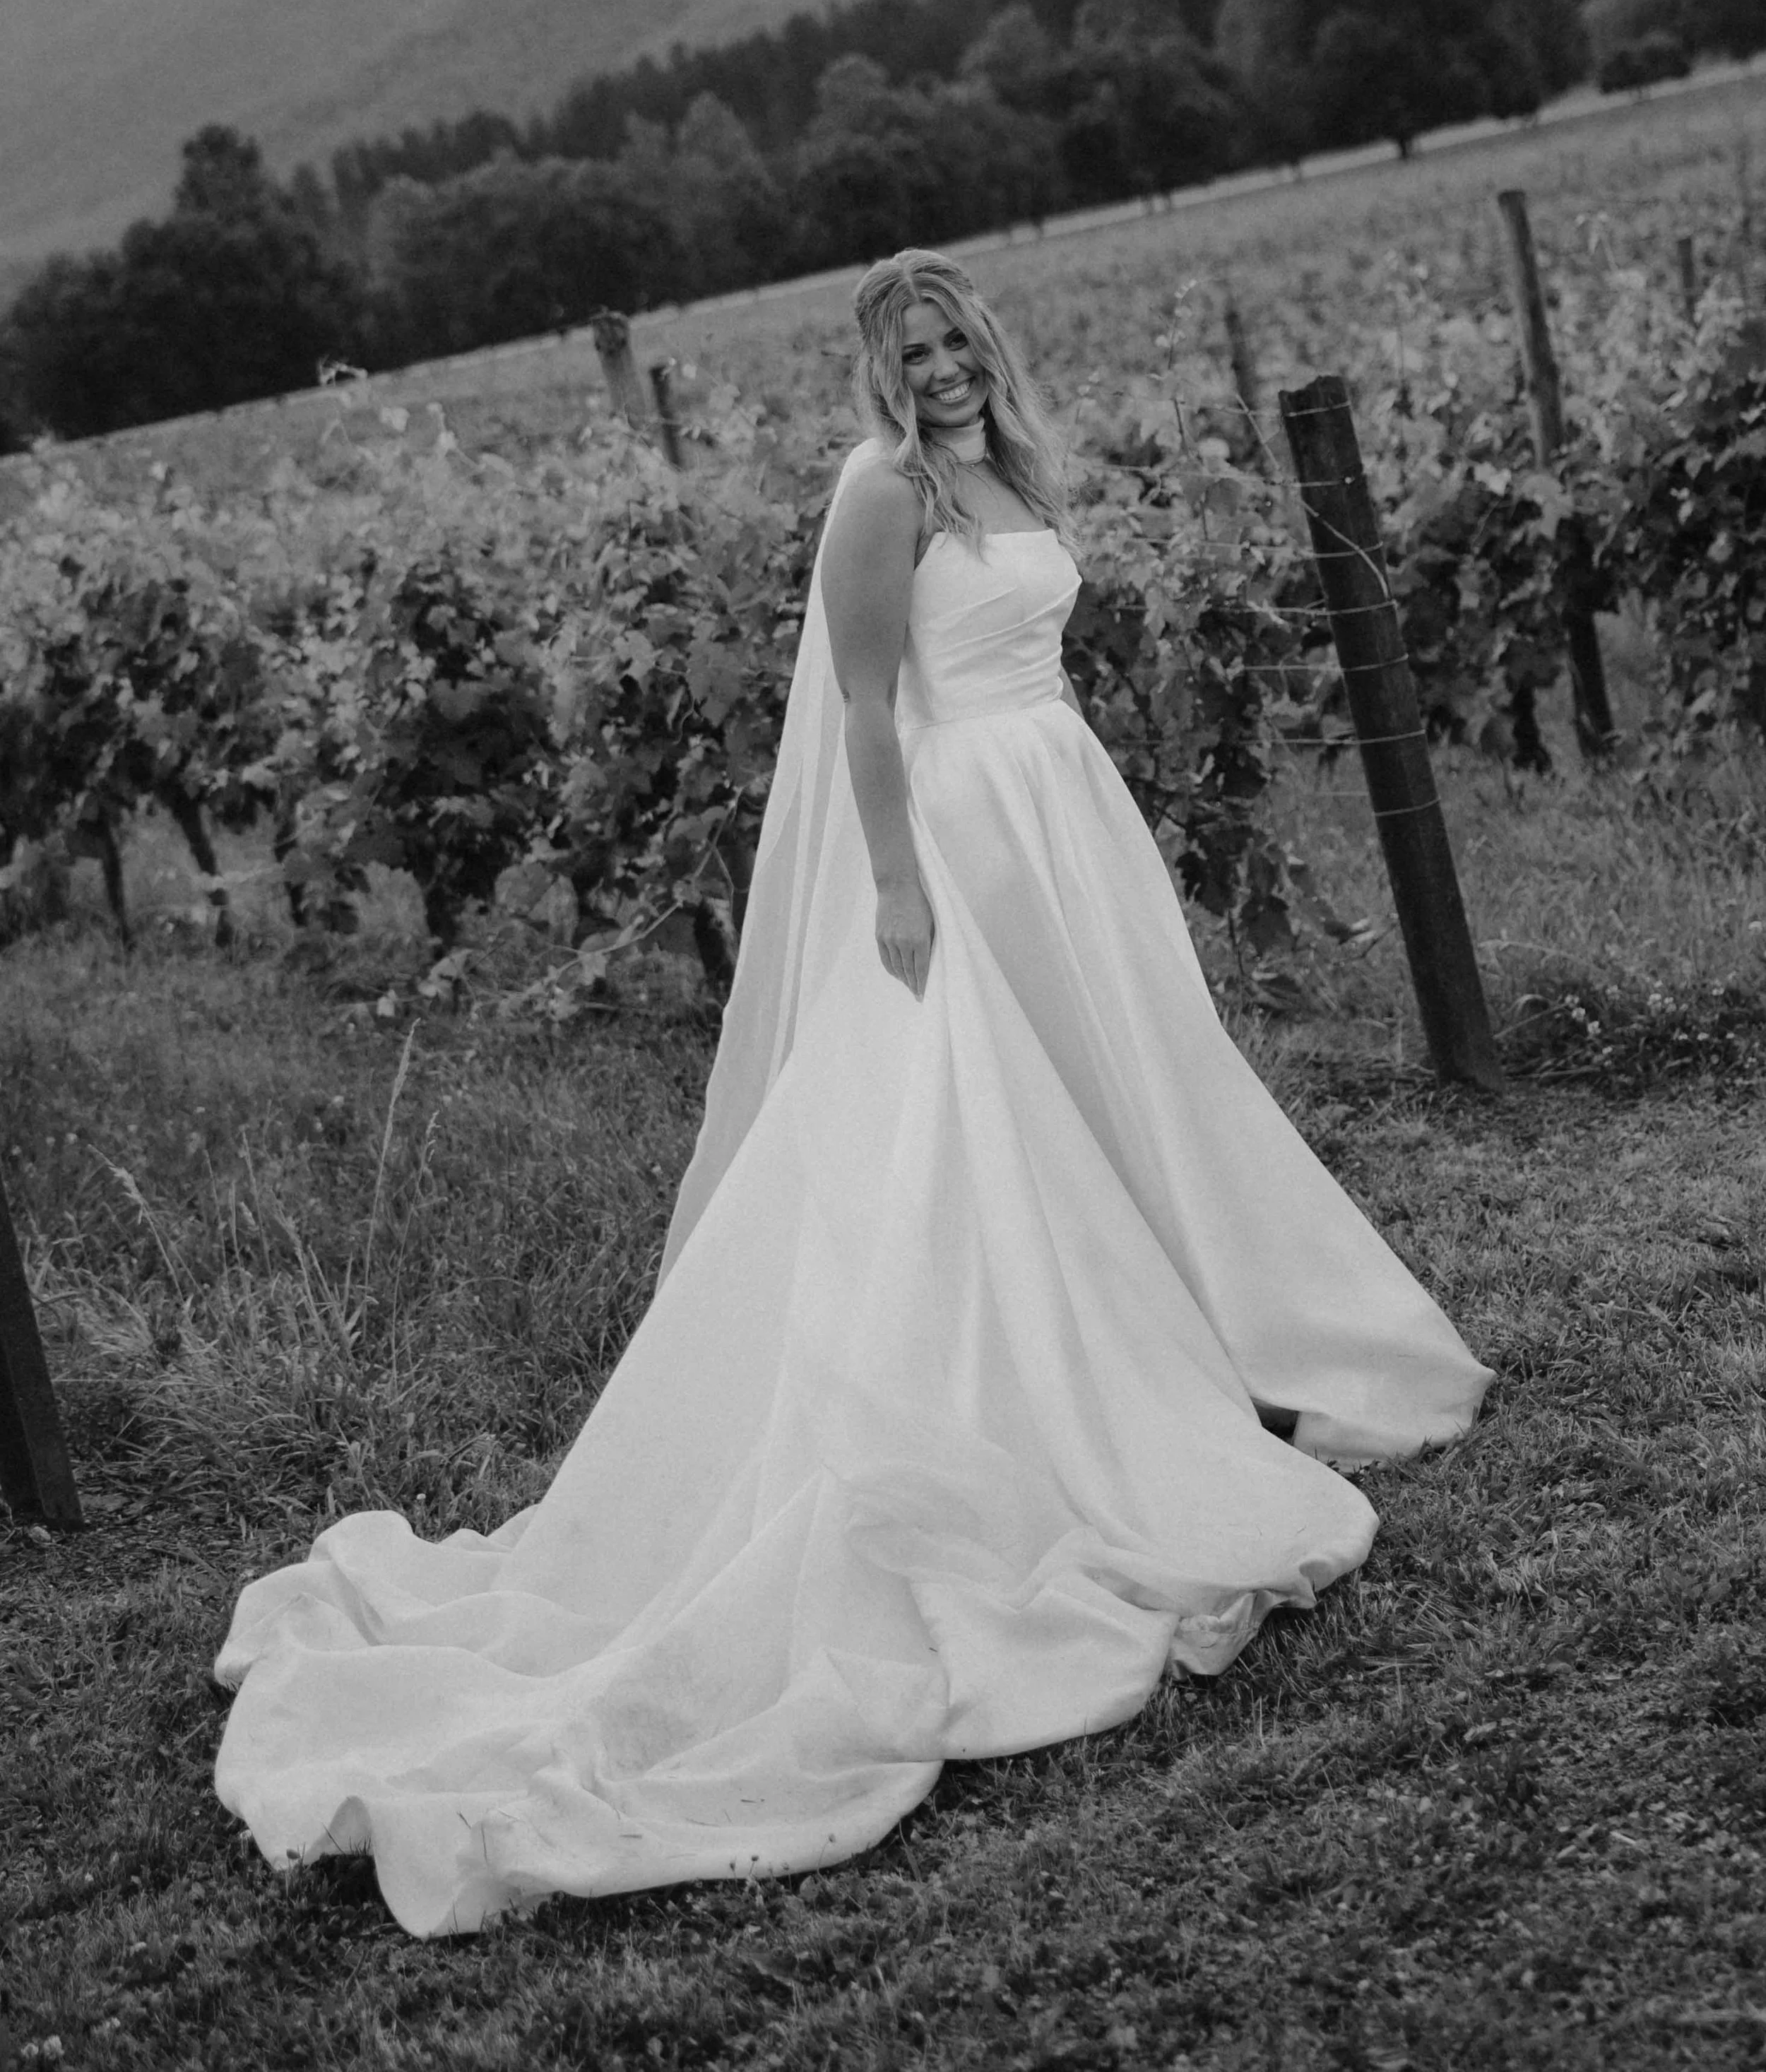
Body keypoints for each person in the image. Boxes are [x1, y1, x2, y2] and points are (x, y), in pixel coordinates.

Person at [215, 249, 1491, 1938]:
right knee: (965, 1120)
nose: (946, 368)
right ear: (878, 370)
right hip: (957, 829)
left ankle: (1207, 1318)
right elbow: (871, 711)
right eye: (914, 351)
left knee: (1125, 1083)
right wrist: (895, 884)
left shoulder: (1003, 469)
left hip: (1058, 809)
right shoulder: (878, 489)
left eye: (958, 338)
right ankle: (1025, 1393)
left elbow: (1028, 638)